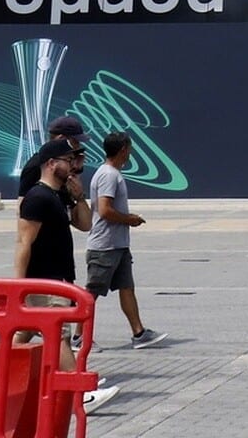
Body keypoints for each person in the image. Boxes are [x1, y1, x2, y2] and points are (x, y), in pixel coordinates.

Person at [16, 137, 119, 412]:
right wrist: (19, 286)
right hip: (44, 279)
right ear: (51, 164)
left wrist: (79, 196)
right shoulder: (37, 198)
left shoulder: (59, 195)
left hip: (59, 277)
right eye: (68, 160)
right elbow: (23, 242)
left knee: (25, 332)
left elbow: (85, 224)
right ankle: (80, 394)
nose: (73, 165)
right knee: (57, 335)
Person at [87, 131, 167, 349]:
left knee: (126, 287)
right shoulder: (108, 175)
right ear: (123, 150)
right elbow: (105, 210)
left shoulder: (112, 173)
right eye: (129, 149)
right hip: (105, 246)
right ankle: (78, 337)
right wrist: (129, 219)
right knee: (92, 293)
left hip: (118, 244)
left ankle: (139, 333)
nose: (130, 153)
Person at [19, 115, 88, 198]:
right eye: (75, 141)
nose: (78, 146)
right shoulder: (34, 166)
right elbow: (23, 203)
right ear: (61, 138)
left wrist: (77, 169)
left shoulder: (64, 168)